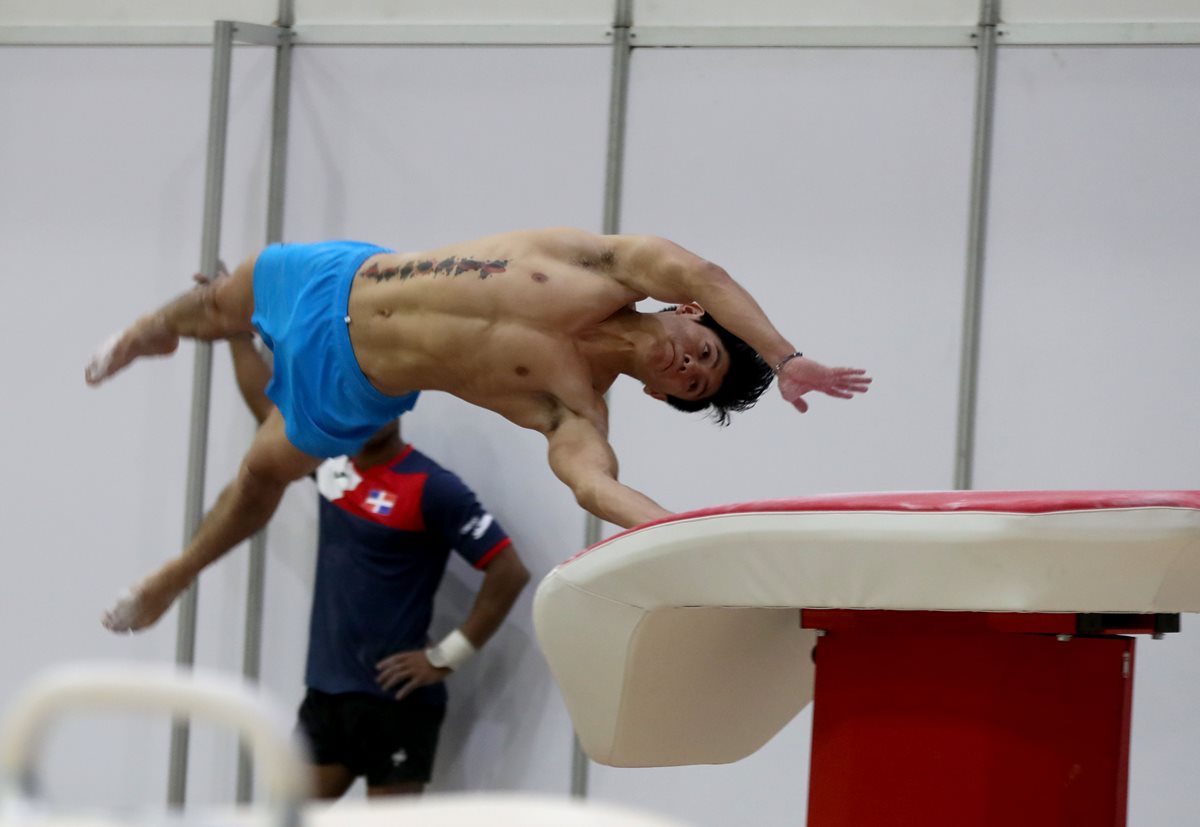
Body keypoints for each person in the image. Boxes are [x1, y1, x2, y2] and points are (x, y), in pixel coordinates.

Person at [87, 228, 870, 631]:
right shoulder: (601, 263)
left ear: (665, 397)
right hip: (346, 277)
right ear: (686, 314)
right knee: (225, 295)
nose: (685, 361)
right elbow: (706, 272)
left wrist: (694, 544)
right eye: (700, 349)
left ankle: (172, 577)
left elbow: (597, 487)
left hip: (354, 383)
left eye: (691, 381)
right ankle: (154, 329)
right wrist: (783, 354)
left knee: (262, 474)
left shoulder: (573, 409)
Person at [227, 326, 529, 798]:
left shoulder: (431, 485)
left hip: (398, 705)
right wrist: (236, 339)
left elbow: (509, 570)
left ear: (401, 403)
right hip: (326, 699)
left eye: (380, 398)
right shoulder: (334, 468)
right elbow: (269, 414)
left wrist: (445, 658)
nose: (368, 409)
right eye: (358, 398)